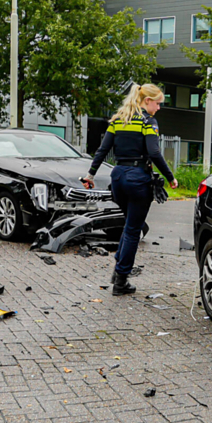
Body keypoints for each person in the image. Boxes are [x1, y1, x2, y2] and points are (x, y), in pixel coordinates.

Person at [83, 83, 178, 296]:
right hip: (137, 179)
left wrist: (90, 175)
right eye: (158, 103)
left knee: (129, 225)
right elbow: (154, 152)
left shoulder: (117, 120)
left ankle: (119, 270)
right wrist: (170, 177)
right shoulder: (147, 121)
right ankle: (121, 280)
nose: (159, 108)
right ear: (147, 101)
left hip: (117, 177)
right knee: (133, 230)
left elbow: (102, 150)